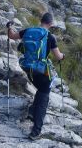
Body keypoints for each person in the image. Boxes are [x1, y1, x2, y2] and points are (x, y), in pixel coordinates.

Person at [7, 12, 65, 140]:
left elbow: (11, 36)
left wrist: (9, 27)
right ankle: (36, 130)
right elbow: (58, 56)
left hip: (27, 68)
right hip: (40, 70)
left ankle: (32, 112)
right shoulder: (50, 37)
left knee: (40, 88)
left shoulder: (28, 31)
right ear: (50, 24)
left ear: (41, 21)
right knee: (44, 94)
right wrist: (63, 56)